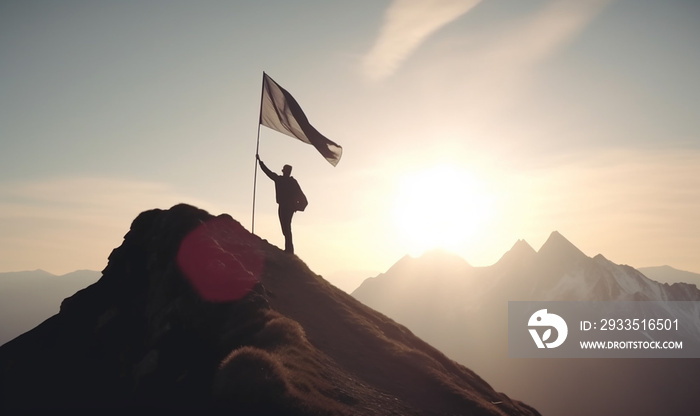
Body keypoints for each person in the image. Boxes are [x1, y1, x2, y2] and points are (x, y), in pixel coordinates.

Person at [257, 154, 308, 254]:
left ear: (286, 172)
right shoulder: (281, 180)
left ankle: (289, 250)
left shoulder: (290, 182)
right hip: (284, 207)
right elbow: (269, 173)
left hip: (287, 207)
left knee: (286, 227)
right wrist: (260, 162)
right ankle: (289, 249)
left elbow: (303, 199)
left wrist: (296, 207)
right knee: (285, 228)